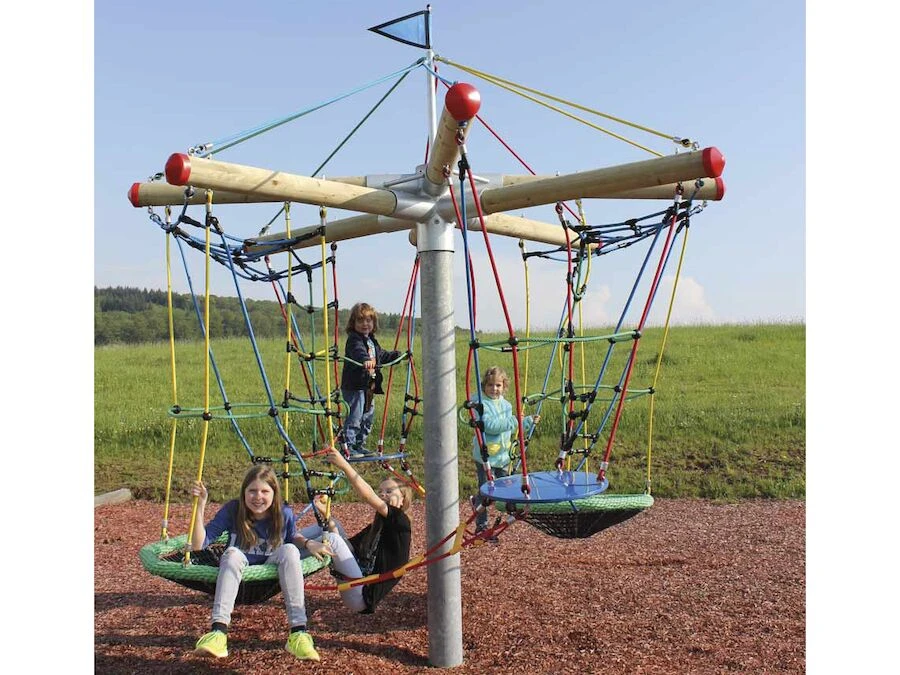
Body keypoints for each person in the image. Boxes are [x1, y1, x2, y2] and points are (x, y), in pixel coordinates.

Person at [189, 464, 335, 662]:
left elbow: (292, 537)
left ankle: (298, 632)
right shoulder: (233, 509)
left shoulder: (283, 513)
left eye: (265, 491)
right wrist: (200, 506)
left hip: (271, 564)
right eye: (252, 491)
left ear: (274, 494)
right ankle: (218, 633)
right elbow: (198, 545)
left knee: (290, 550)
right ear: (244, 492)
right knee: (231, 553)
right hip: (239, 564)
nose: (258, 497)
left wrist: (309, 543)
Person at [315, 446, 414, 613]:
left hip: (362, 596)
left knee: (331, 540)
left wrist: (344, 465)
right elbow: (348, 547)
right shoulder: (376, 527)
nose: (383, 495)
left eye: (389, 491)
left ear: (403, 498)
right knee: (334, 527)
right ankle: (296, 546)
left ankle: (296, 553)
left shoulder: (401, 521)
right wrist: (327, 516)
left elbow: (368, 496)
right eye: (381, 492)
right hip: (356, 582)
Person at [470, 366, 539, 537]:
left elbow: (512, 426)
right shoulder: (480, 404)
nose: (494, 389)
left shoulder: (506, 405)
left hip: (502, 456)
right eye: (490, 385)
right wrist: (515, 421)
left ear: (504, 386)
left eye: (498, 385)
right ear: (484, 386)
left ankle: (506, 508)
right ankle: (481, 525)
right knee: (486, 491)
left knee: (506, 485)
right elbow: (490, 427)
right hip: (485, 457)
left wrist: (527, 422)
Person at [339, 302, 402, 457]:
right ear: (353, 323)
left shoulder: (372, 341)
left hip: (369, 386)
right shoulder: (354, 340)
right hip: (355, 386)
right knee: (355, 416)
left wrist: (395, 356)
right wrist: (365, 360)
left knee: (367, 417)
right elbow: (358, 352)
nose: (365, 324)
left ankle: (359, 444)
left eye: (368, 320)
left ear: (373, 323)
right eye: (360, 320)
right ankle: (348, 447)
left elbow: (381, 355)